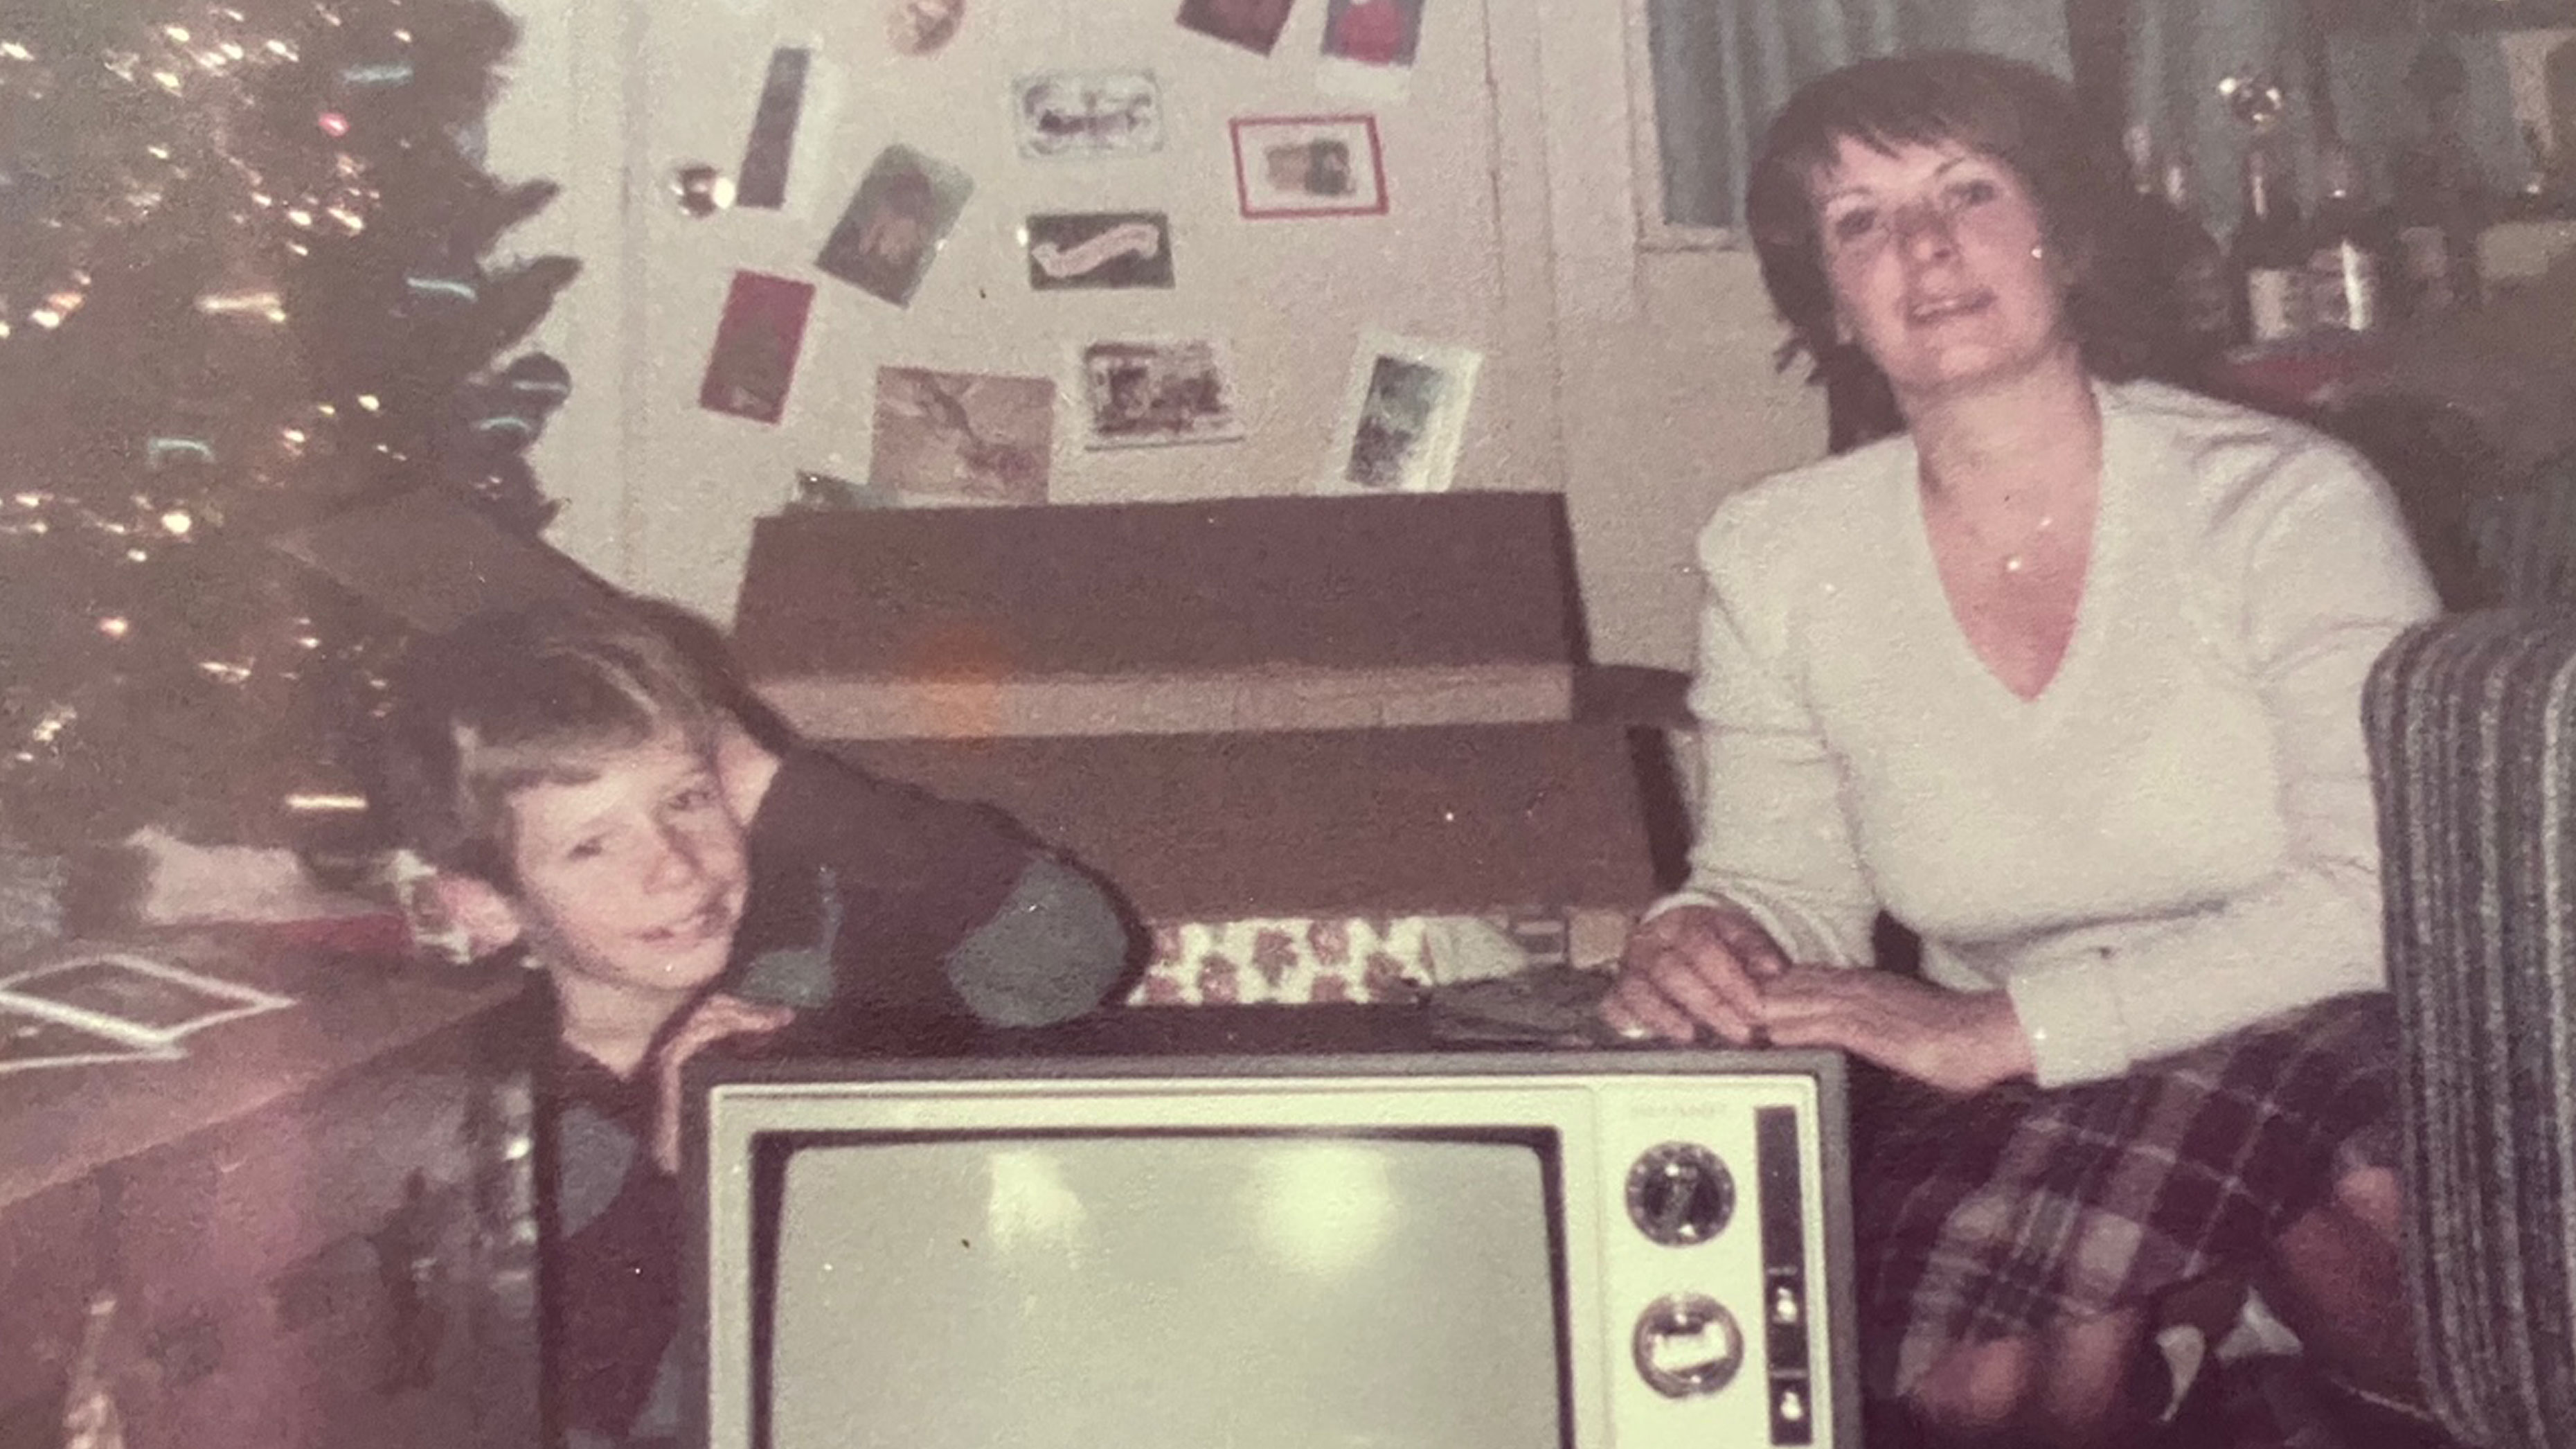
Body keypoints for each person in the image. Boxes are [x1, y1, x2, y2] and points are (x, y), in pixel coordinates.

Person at [1597, 52, 2441, 1447]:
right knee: (1980, 1394)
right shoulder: (1776, 550)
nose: (1922, 246)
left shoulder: (2285, 502)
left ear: (2065, 234)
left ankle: (2268, 1331)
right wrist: (1704, 934)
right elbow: (1781, 877)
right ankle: (2201, 1308)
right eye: (1858, 218)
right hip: (2041, 1072)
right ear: (1830, 297)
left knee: (2383, 1240)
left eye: (1967, 190)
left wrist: (1994, 1031)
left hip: (2322, 1022)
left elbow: (2374, 903)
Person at [375, 597, 1132, 1449]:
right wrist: (671, 1175)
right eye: (593, 845)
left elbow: (1075, 950)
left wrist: (789, 789)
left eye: (690, 799)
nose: (674, 866)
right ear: (486, 905)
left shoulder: (819, 938)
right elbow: (567, 1409)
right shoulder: (507, 1127)